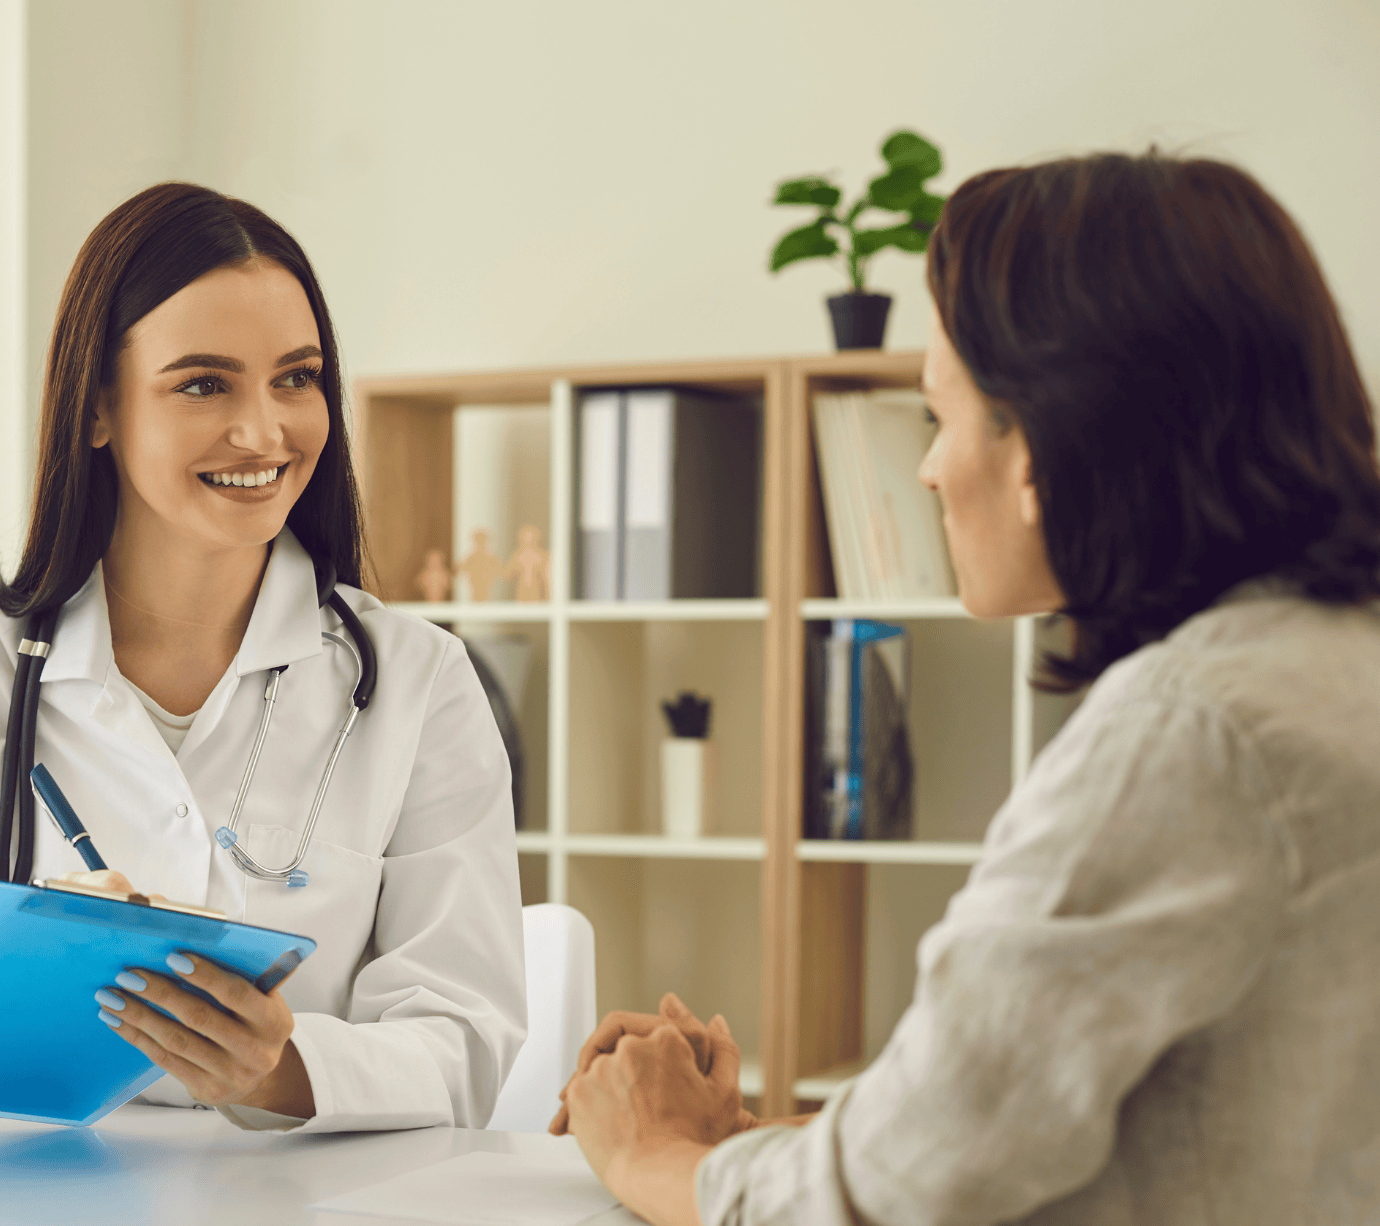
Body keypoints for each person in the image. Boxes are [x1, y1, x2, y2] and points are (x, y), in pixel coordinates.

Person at [562, 151, 1380, 1223]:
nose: (928, 469)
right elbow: (1033, 1127)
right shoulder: (1329, 669)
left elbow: (883, 1205)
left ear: (1038, 447)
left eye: (939, 416)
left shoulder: (1187, 735)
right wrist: (751, 1140)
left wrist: (656, 1150)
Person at [0, 183, 526, 1133]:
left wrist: (279, 1067)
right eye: (204, 383)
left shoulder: (418, 683)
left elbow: (466, 1041)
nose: (265, 431)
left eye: (296, 378)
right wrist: (25, 966)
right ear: (97, 408)